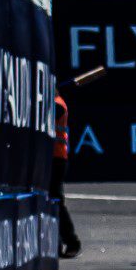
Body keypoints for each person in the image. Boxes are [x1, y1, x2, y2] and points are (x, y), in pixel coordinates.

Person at [51, 90, 80, 259]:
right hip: (46, 157)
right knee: (48, 201)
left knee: (56, 200)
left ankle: (72, 241)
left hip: (56, 158)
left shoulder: (58, 104)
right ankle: (55, 242)